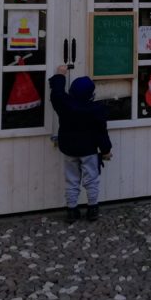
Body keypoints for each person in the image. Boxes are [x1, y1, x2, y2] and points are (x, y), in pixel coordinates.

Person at [50, 65, 113, 222]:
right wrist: (106, 150)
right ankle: (92, 209)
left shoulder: (64, 105)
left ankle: (71, 210)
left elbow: (57, 94)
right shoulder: (96, 110)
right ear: (91, 94)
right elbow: (101, 132)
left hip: (69, 148)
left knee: (71, 179)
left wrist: (60, 74)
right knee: (91, 179)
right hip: (88, 150)